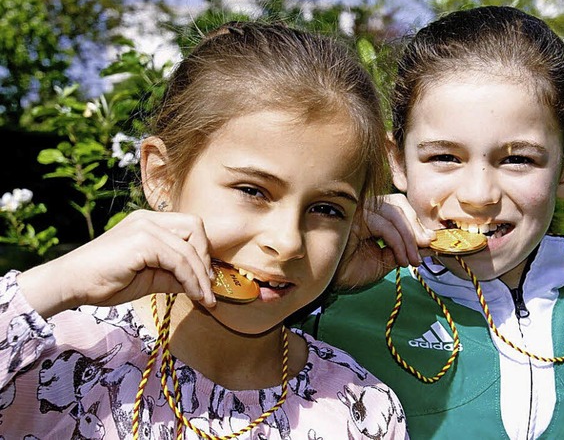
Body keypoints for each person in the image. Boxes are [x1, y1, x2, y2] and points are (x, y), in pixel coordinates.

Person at [0, 22, 409, 439]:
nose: (287, 242)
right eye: (252, 190)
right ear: (161, 177)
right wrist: (59, 280)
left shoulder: (361, 410)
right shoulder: (49, 358)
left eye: (326, 209)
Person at [303, 6, 564, 439]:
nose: (479, 195)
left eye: (518, 159)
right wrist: (323, 281)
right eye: (444, 157)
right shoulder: (319, 317)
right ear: (398, 163)